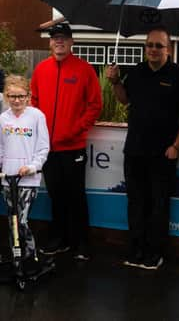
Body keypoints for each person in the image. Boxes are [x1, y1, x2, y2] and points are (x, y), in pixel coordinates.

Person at [106, 26, 179, 270]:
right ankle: (135, 251)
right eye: (149, 45)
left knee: (158, 204)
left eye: (158, 45)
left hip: (163, 152)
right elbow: (125, 99)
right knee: (135, 202)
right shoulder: (136, 72)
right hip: (134, 149)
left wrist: (176, 145)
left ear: (168, 48)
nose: (153, 50)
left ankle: (154, 254)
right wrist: (114, 82)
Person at [31, 22, 102, 261]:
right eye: (54, 38)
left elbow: (95, 105)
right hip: (47, 149)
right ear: (50, 42)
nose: (58, 41)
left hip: (73, 146)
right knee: (56, 194)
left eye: (63, 38)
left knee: (76, 195)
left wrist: (76, 129)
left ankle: (81, 243)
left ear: (72, 42)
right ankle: (58, 239)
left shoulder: (84, 70)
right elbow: (35, 102)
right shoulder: (41, 69)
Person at [0, 75, 49, 272]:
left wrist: (32, 166)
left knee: (21, 220)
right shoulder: (3, 119)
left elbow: (43, 147)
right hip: (7, 179)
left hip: (28, 178)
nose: (17, 100)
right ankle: (16, 257)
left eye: (21, 96)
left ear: (28, 96)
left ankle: (30, 256)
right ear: (6, 96)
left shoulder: (37, 116)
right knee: (11, 219)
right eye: (12, 96)